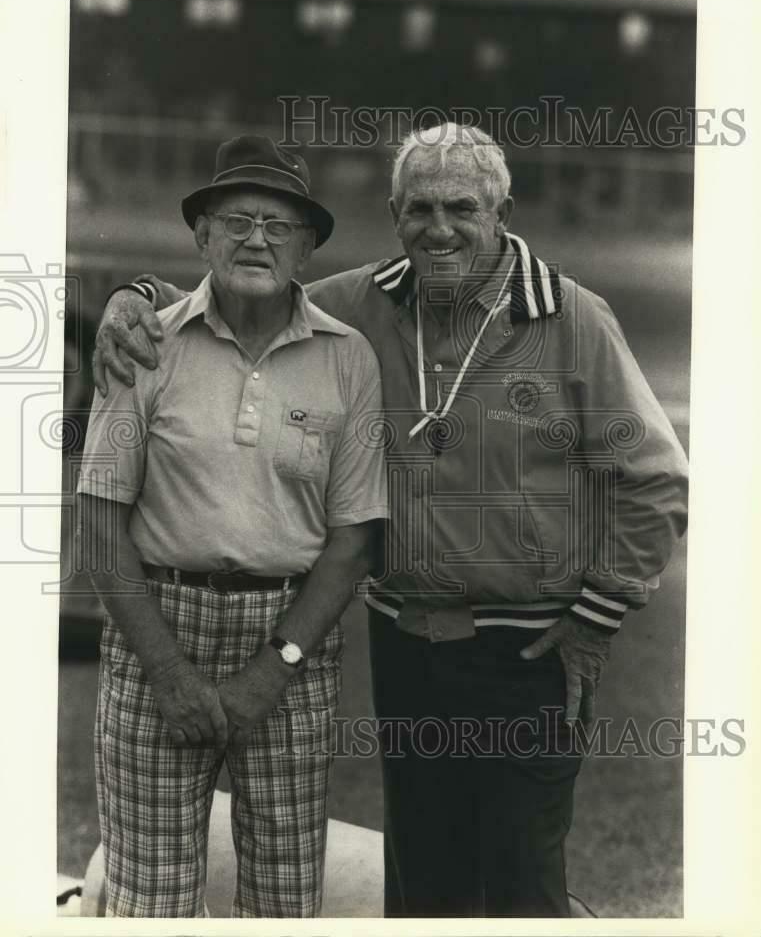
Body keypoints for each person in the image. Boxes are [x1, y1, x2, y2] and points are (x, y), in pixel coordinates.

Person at [93, 122, 689, 918]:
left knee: (522, 884)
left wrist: (594, 620)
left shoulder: (573, 319)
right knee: (423, 883)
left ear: (502, 211)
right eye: (418, 209)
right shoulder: (363, 302)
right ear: (394, 213)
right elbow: (243, 291)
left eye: (460, 208)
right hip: (408, 647)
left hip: (531, 647)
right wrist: (131, 299)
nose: (437, 229)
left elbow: (654, 479)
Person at [77, 134, 388, 918]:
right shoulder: (143, 345)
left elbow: (353, 542)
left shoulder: (347, 358)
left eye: (280, 226)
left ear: (308, 246)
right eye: (238, 220)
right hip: (157, 631)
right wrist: (171, 675)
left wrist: (273, 667)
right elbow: (102, 523)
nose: (257, 239)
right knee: (150, 904)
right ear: (201, 235)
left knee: (284, 903)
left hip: (290, 642)